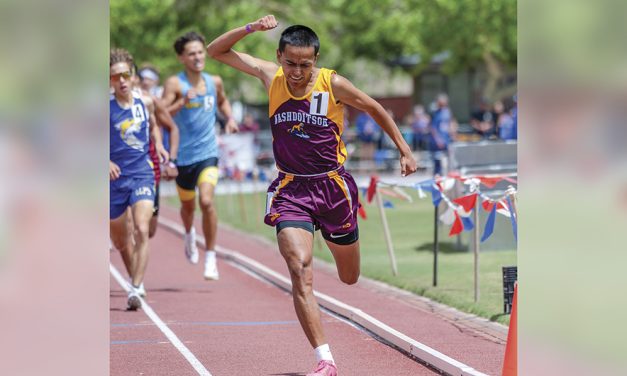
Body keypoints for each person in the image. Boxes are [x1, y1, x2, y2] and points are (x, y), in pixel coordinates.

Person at [206, 15, 417, 376]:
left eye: (305, 64)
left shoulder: (332, 83)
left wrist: (404, 149)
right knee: (299, 268)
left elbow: (375, 109)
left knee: (349, 277)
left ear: (315, 61)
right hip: (291, 189)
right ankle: (325, 360)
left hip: (333, 188)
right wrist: (249, 29)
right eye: (290, 63)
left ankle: (338, 246)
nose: (297, 72)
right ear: (279, 56)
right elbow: (216, 51)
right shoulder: (269, 75)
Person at [162, 31, 239, 280]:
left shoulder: (214, 81)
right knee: (188, 208)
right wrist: (182, 102)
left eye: (200, 52)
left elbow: (224, 101)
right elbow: (161, 115)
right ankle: (189, 235)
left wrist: (230, 118)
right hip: (183, 158)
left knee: (206, 201)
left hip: (208, 153)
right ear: (182, 57)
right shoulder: (175, 84)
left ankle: (211, 256)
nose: (197, 57)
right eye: (191, 53)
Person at [109, 48, 168, 310]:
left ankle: (134, 287)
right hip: (114, 180)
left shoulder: (146, 102)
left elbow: (154, 124)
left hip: (142, 174)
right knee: (122, 241)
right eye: (115, 77)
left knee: (142, 229)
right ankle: (135, 279)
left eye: (125, 74)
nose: (121, 80)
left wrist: (160, 145)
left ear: (133, 76)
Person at [136, 65, 180, 240]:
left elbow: (172, 128)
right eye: (143, 77)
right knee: (135, 225)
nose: (146, 81)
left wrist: (170, 160)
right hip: (125, 168)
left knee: (149, 230)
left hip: (150, 166)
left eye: (150, 78)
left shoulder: (152, 101)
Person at [428, 93, 457, 176]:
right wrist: (438, 139)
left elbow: (451, 123)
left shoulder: (448, 112)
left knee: (448, 163)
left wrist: (453, 134)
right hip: (437, 143)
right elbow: (432, 127)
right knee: (438, 163)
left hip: (446, 141)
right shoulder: (435, 113)